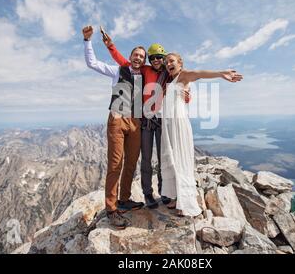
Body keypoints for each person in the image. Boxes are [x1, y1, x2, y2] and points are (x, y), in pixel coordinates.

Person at [101, 34, 190, 209]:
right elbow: (125, 63)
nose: (156, 60)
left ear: (164, 60)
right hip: (145, 120)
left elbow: (183, 85)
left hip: (163, 120)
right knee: (147, 158)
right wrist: (111, 46)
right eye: (153, 58)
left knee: (165, 156)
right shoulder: (144, 70)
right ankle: (148, 193)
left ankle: (164, 191)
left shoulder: (169, 74)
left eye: (159, 58)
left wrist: (187, 96)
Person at [161, 52, 243, 217]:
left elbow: (199, 74)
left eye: (171, 61)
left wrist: (221, 73)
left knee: (181, 160)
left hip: (179, 124)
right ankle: (176, 196)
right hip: (169, 125)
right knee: (172, 159)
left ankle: (186, 202)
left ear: (180, 63)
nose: (168, 64)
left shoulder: (184, 75)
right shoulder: (171, 81)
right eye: (166, 62)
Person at [82, 25, 145, 229]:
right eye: (135, 55)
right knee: (116, 164)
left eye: (141, 57)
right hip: (117, 120)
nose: (138, 58)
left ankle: (124, 200)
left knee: (131, 162)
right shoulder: (118, 71)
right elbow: (92, 63)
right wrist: (87, 40)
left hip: (135, 122)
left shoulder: (144, 77)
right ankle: (111, 208)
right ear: (130, 56)